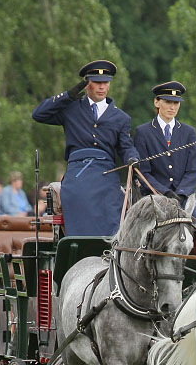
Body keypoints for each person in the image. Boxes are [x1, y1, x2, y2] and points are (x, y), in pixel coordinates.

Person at [32, 60, 140, 235]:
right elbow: (38, 114)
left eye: (105, 82)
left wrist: (132, 158)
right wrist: (67, 96)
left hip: (106, 172)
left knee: (114, 200)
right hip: (78, 171)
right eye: (97, 82)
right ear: (86, 83)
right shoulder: (71, 109)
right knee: (78, 197)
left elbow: (126, 147)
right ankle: (78, 245)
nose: (101, 87)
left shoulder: (121, 117)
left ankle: (109, 246)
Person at [134, 81, 196, 206]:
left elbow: (193, 169)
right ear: (156, 102)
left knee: (195, 223)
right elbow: (143, 172)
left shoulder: (189, 132)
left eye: (176, 103)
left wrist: (181, 193)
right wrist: (165, 192)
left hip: (184, 197)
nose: (172, 107)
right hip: (154, 196)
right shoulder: (143, 132)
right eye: (168, 102)